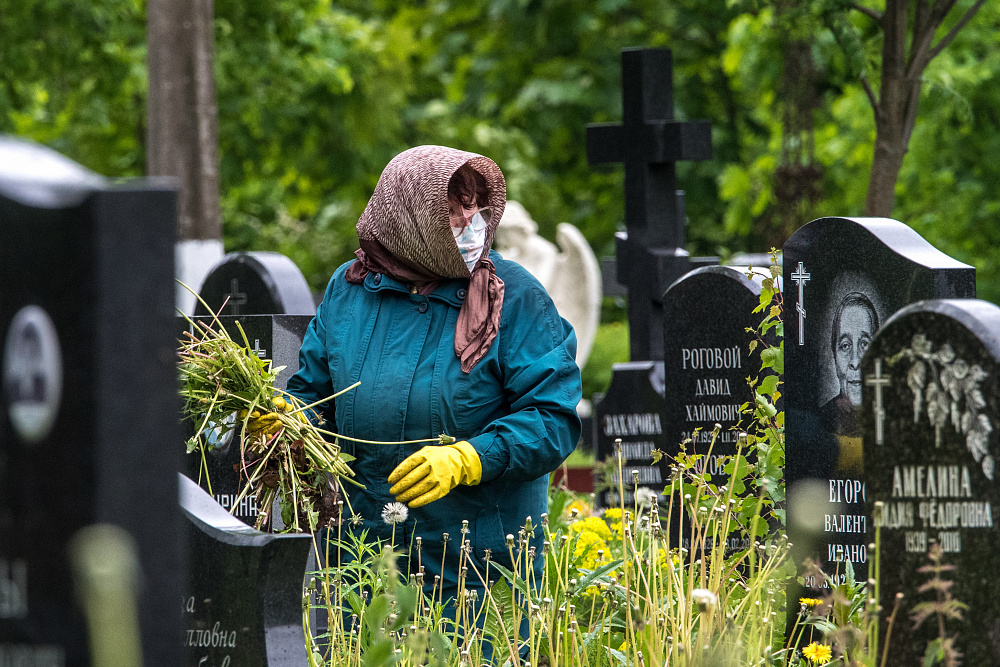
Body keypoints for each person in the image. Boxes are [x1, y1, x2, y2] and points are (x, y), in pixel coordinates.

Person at [284, 145, 582, 607]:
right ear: (404, 217)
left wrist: (471, 458)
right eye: (452, 211)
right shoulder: (351, 289)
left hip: (478, 572)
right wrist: (286, 423)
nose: (471, 223)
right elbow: (313, 395)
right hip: (365, 566)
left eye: (474, 206)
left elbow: (552, 416)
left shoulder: (513, 295)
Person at [819, 291, 878, 472]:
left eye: (865, 344)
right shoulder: (819, 423)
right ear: (835, 356)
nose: (855, 361)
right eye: (845, 345)